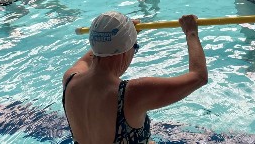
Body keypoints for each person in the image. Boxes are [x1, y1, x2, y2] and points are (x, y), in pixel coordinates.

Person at [63, 12, 207, 143]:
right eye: (135, 48)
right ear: (125, 52)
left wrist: (125, 35)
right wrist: (191, 32)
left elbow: (100, 49)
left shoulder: (70, 79)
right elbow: (199, 76)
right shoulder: (132, 94)